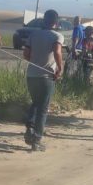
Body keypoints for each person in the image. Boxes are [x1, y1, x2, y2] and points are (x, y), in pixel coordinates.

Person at [23, 9, 63, 151]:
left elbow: (26, 54)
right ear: (56, 22)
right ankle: (37, 139)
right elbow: (57, 52)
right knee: (43, 108)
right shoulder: (57, 36)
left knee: (35, 102)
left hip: (31, 75)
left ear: (44, 20)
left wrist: (35, 61)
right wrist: (59, 68)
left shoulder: (33, 34)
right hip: (46, 77)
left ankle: (30, 128)